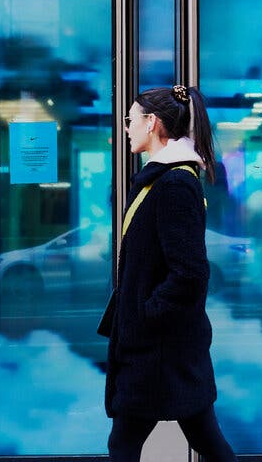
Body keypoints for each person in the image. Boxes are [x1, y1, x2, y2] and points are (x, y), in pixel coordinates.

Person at [105, 84, 237, 462]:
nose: (127, 128)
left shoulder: (175, 184)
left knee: (125, 443)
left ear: (152, 123)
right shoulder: (163, 179)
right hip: (164, 348)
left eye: (131, 120)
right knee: (205, 438)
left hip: (158, 350)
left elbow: (191, 273)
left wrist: (147, 315)